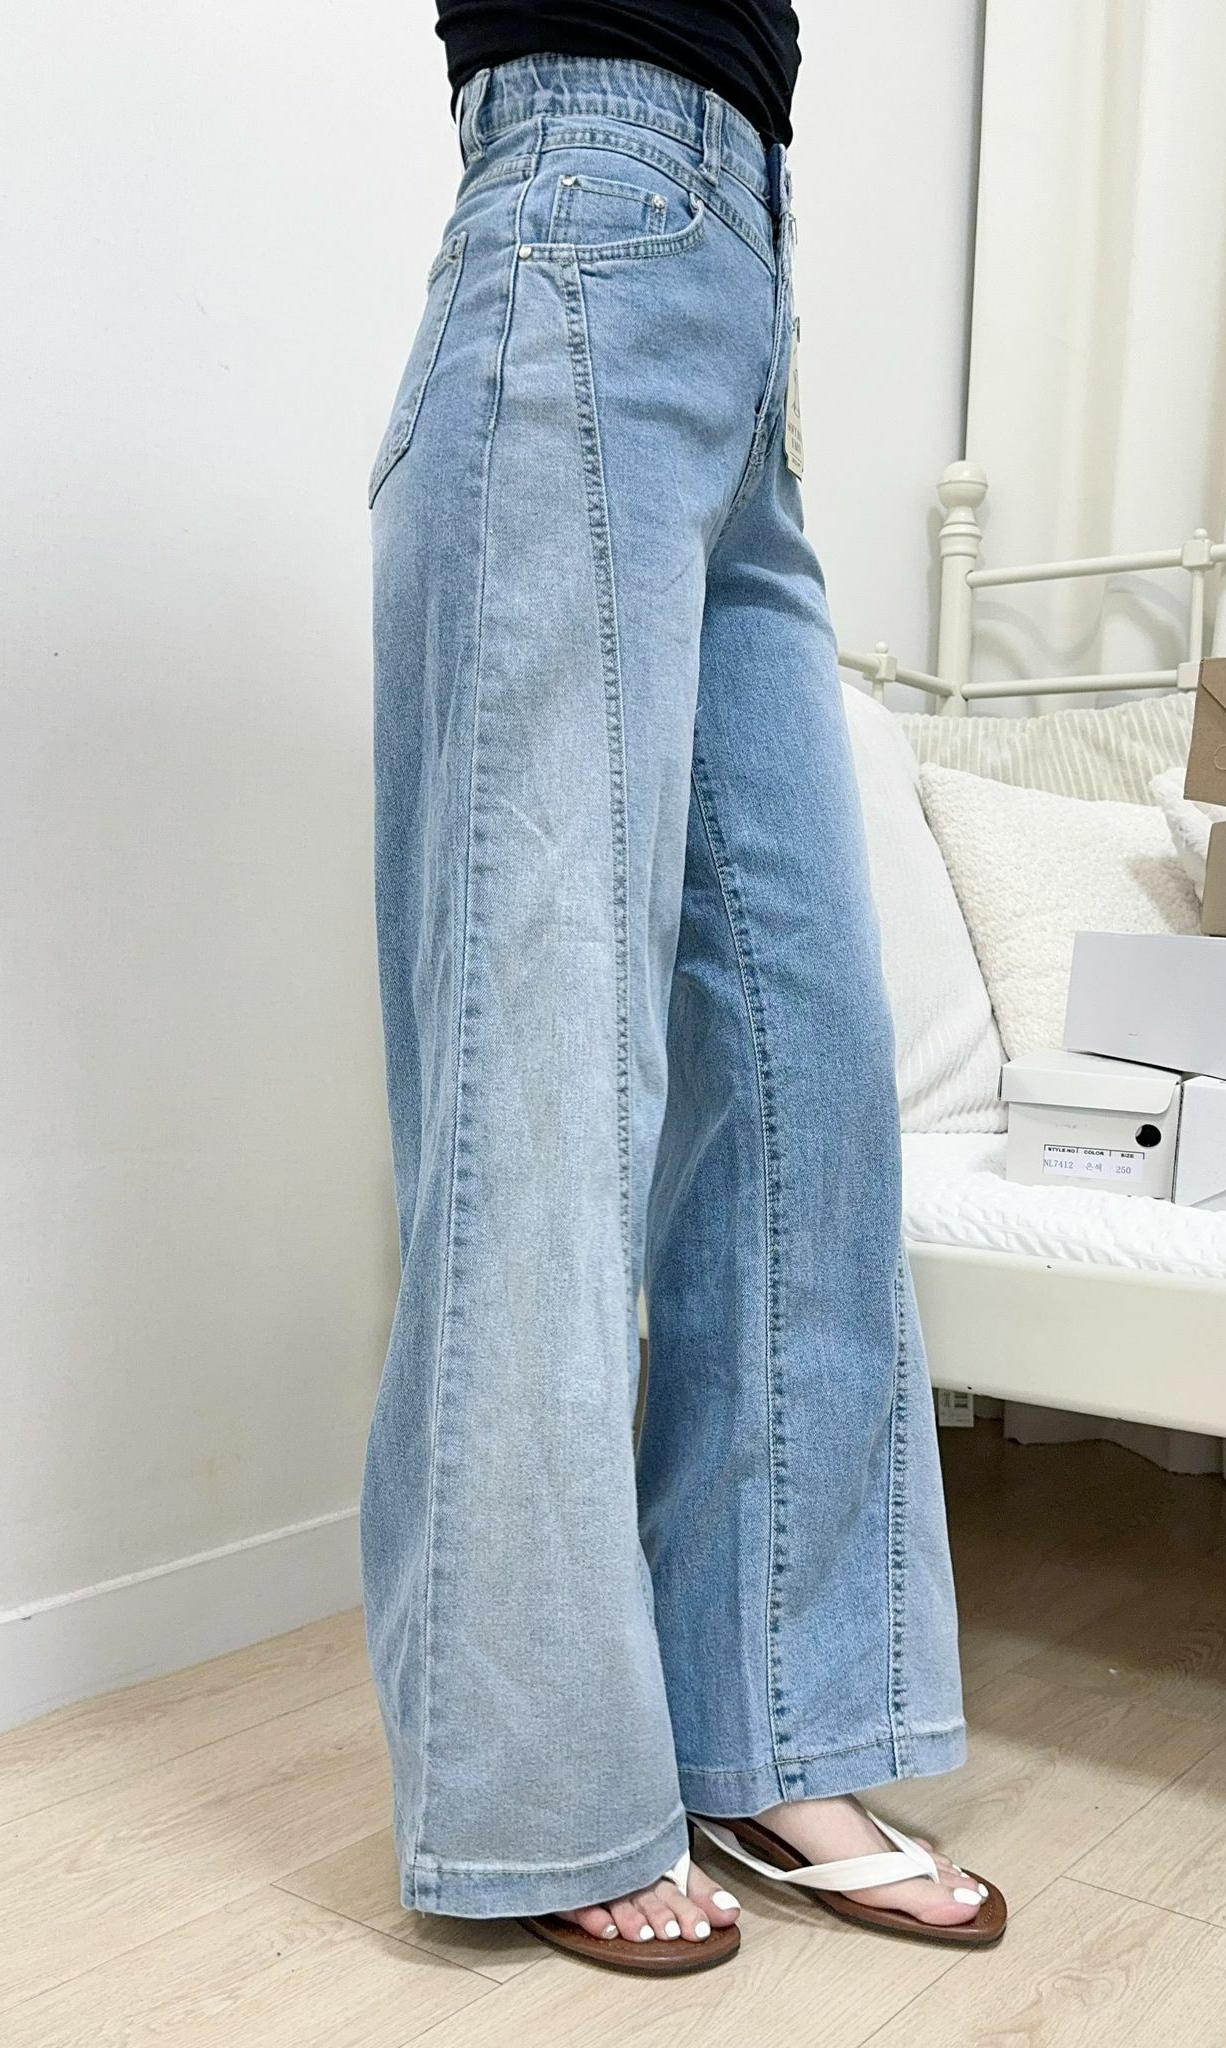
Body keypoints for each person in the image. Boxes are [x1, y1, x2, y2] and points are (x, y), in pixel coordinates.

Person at [360, 0, 1006, 1974]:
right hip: (577, 217)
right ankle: (538, 1781)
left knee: (812, 1080)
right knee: (544, 1082)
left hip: (742, 296)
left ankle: (771, 1727)